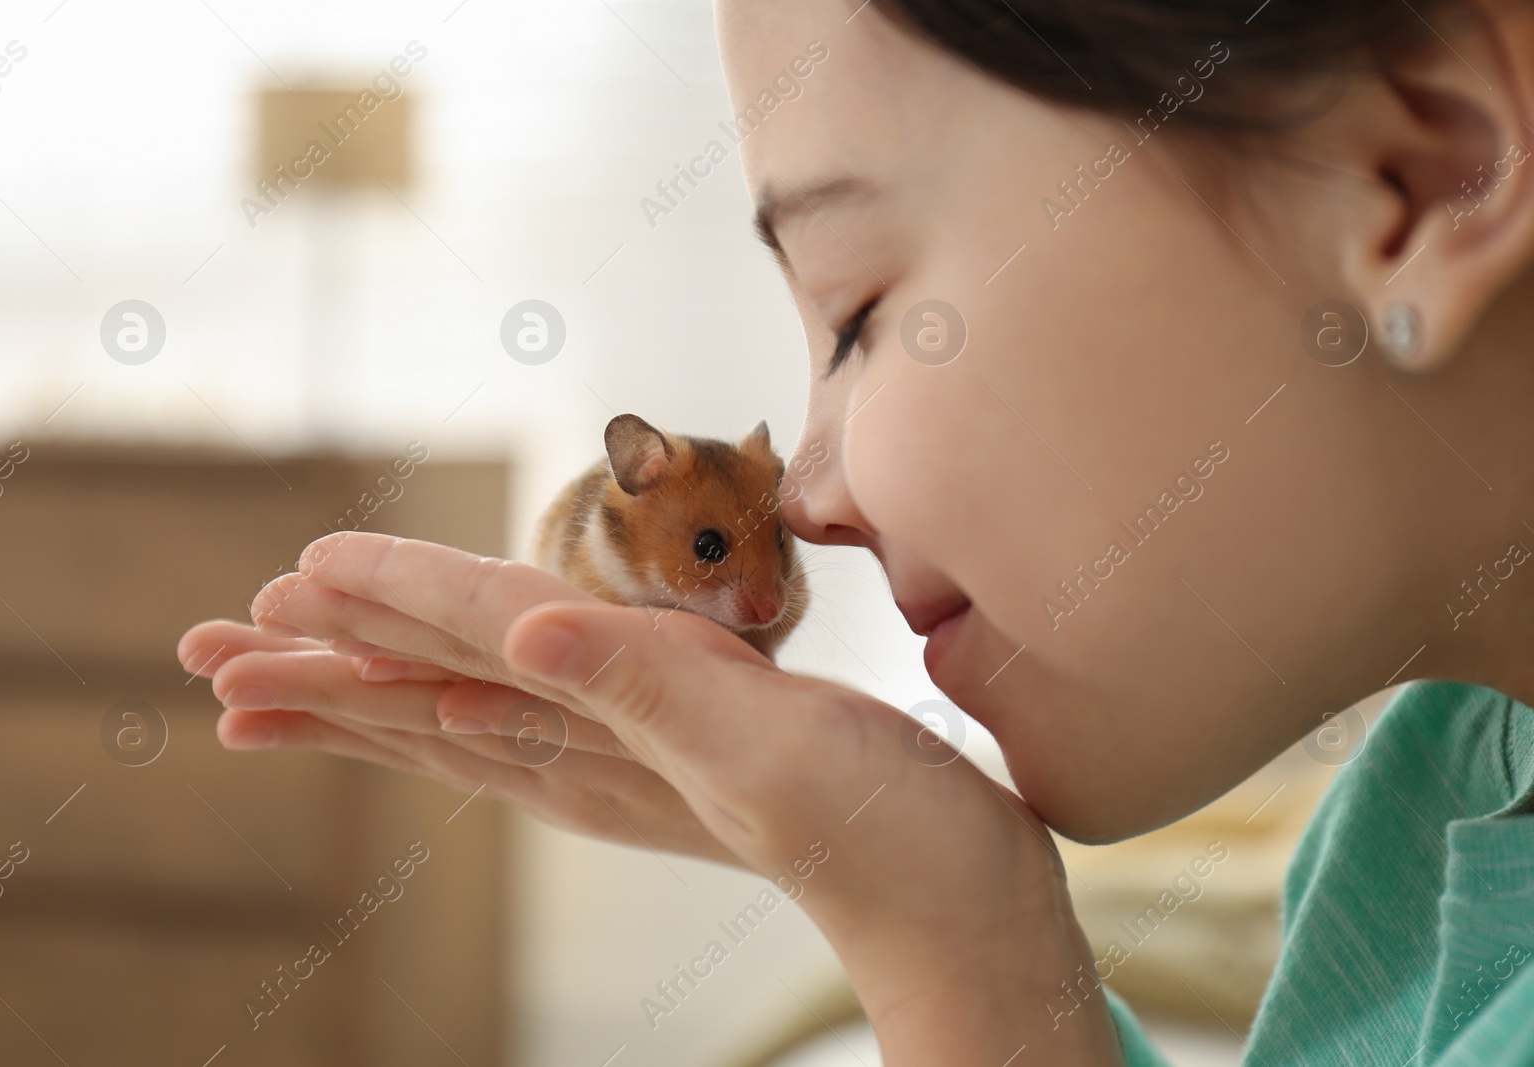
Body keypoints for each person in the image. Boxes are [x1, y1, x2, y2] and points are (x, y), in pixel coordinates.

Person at [177, 0, 1534, 1061]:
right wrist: (959, 947)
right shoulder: (1428, 799)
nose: (810, 502)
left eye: (858, 313)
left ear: (1425, 174)